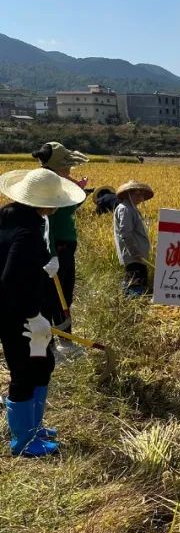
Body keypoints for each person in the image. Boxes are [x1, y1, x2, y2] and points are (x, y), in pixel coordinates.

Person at [0, 167, 86, 456]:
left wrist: (42, 264)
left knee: (43, 364)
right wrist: (33, 316)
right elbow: (12, 279)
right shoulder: (27, 232)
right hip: (18, 315)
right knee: (24, 371)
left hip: (19, 311)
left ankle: (34, 427)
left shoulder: (12, 218)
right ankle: (23, 441)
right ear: (45, 203)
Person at [31, 142, 88, 333]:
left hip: (64, 249)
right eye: (66, 165)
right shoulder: (47, 188)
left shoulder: (59, 185)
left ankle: (63, 338)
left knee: (64, 296)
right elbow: (46, 224)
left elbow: (65, 212)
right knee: (54, 297)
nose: (69, 169)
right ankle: (53, 341)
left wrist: (79, 193)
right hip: (56, 250)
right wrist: (52, 253)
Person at [112, 180, 155, 297]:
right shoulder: (125, 209)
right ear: (129, 194)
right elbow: (125, 233)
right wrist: (134, 251)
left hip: (138, 256)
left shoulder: (132, 209)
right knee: (134, 285)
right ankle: (130, 306)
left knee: (139, 282)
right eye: (138, 194)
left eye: (141, 194)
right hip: (134, 256)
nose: (141, 197)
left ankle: (131, 304)